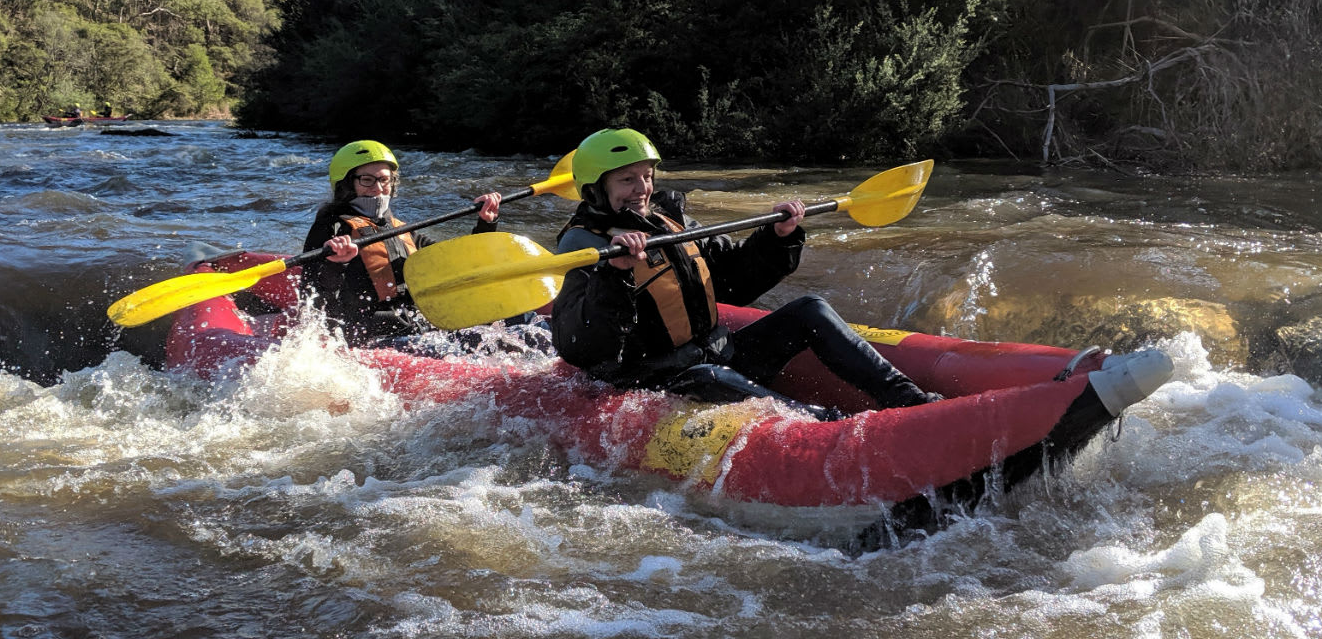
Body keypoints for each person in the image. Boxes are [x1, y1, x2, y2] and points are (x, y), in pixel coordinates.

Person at [550, 128, 938, 420]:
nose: (642, 188)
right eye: (627, 179)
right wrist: (615, 274)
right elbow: (582, 348)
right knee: (708, 377)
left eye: (647, 175)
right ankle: (828, 428)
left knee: (810, 309)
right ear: (596, 190)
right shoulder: (583, 248)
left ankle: (911, 402)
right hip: (656, 380)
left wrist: (776, 237)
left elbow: (733, 281)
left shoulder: (670, 221)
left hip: (719, 354)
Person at [300, 140, 506, 346]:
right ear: (347, 184)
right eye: (367, 180)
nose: (378, 188)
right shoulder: (332, 227)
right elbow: (312, 296)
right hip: (369, 334)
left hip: (412, 324)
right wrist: (336, 263)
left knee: (494, 330)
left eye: (384, 180)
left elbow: (454, 260)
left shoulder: (399, 228)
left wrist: (486, 223)